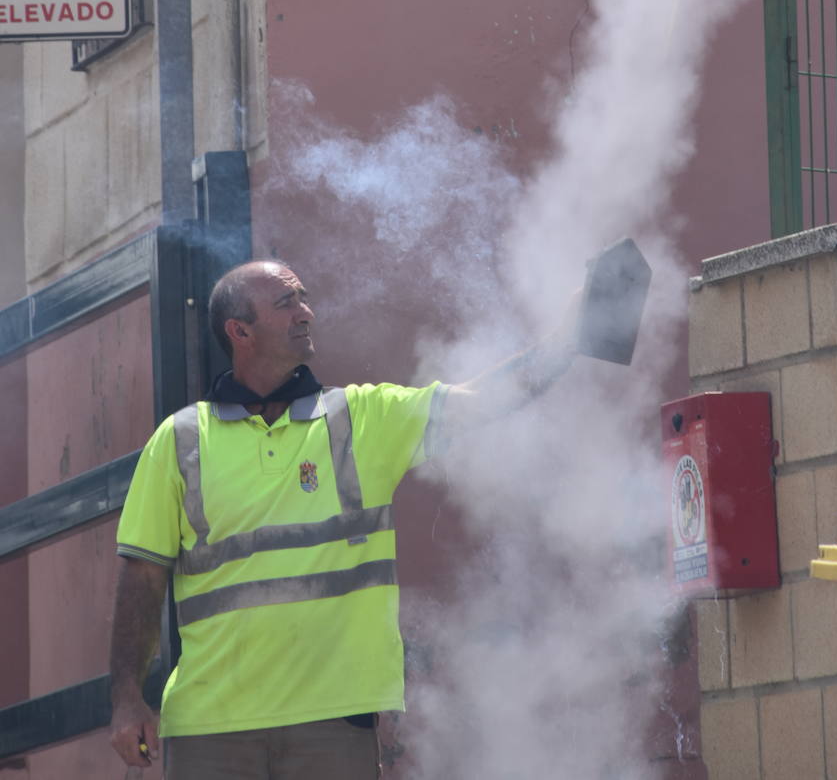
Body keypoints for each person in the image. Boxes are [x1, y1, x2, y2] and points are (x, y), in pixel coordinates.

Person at [109, 259, 579, 779]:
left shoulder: (363, 418)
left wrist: (570, 338)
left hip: (333, 721)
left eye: (303, 298)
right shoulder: (179, 441)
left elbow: (481, 402)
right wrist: (127, 699)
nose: (305, 311)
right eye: (286, 302)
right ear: (239, 331)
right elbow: (142, 578)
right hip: (210, 728)